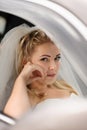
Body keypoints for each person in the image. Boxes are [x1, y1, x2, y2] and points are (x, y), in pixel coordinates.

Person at [0, 24, 79, 119]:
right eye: (44, 59)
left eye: (57, 58)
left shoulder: (66, 86)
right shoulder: (26, 97)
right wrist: (21, 79)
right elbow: (13, 124)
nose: (53, 67)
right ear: (26, 62)